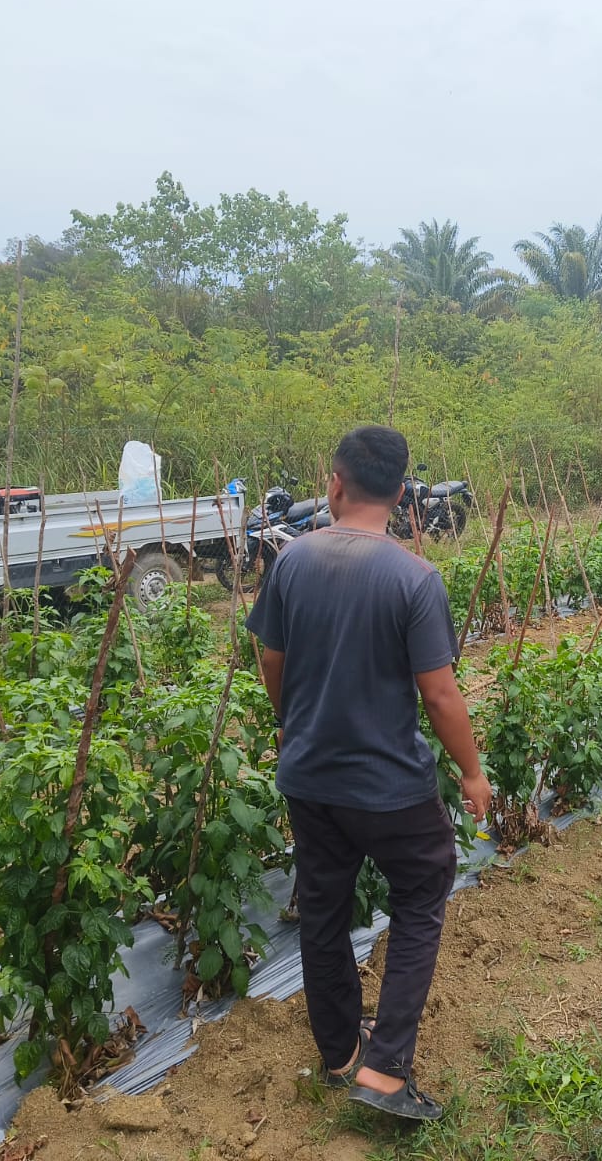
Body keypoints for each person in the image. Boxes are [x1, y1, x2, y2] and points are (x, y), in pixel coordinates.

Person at [246, 425, 492, 1121]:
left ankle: (338, 1053)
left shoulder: (291, 563)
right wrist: (471, 773)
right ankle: (385, 1073)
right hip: (387, 785)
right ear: (403, 493)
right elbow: (439, 694)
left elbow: (270, 658)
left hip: (309, 776)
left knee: (323, 907)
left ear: (334, 485)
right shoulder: (413, 577)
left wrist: (290, 721)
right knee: (421, 889)